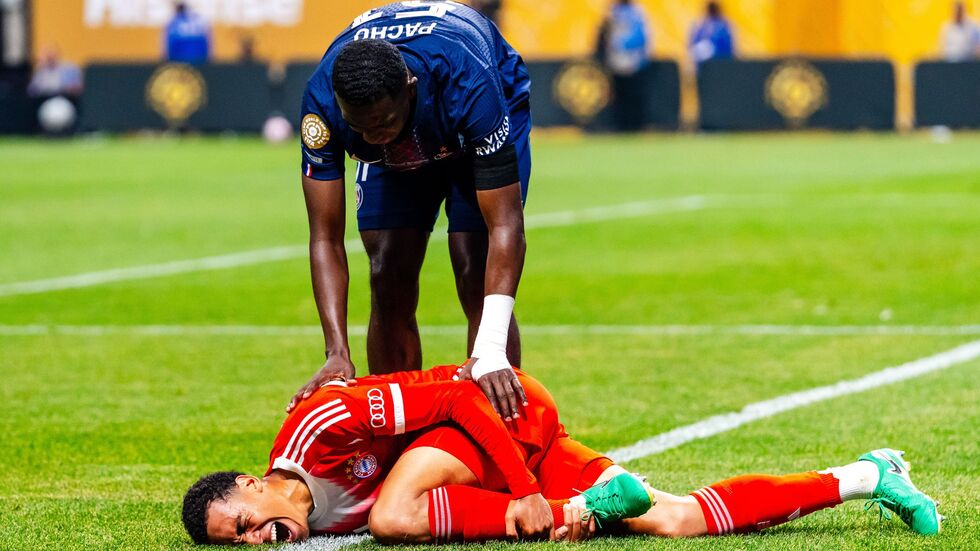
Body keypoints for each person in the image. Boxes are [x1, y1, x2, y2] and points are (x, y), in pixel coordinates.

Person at [182, 364, 942, 545]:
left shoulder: (321, 426)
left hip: (501, 415)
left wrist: (526, 490)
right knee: (669, 516)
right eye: (238, 545)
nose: (256, 539)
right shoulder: (309, 520)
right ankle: (867, 473)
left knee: (391, 514)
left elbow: (455, 396)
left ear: (256, 482)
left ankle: (572, 509)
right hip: (479, 457)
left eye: (244, 522)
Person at [290, 2, 532, 422]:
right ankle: (401, 434)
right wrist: (336, 353)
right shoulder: (323, 105)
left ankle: (500, 429)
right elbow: (325, 237)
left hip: (466, 117)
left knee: (473, 262)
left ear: (409, 85)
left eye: (383, 121)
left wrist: (491, 347)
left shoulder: (468, 81)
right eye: (362, 127)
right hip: (404, 139)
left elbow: (505, 224)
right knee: (387, 269)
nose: (374, 134)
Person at [597, 0, 651, 132]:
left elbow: (640, 36)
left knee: (632, 96)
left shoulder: (635, 12)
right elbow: (603, 34)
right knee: (620, 96)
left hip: (632, 61)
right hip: (617, 61)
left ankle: (634, 125)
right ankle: (622, 125)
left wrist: (619, 44)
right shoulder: (613, 11)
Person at [689, 1, 735, 65]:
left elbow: (729, 48)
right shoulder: (700, 26)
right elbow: (692, 46)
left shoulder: (724, 26)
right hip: (704, 65)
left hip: (721, 62)